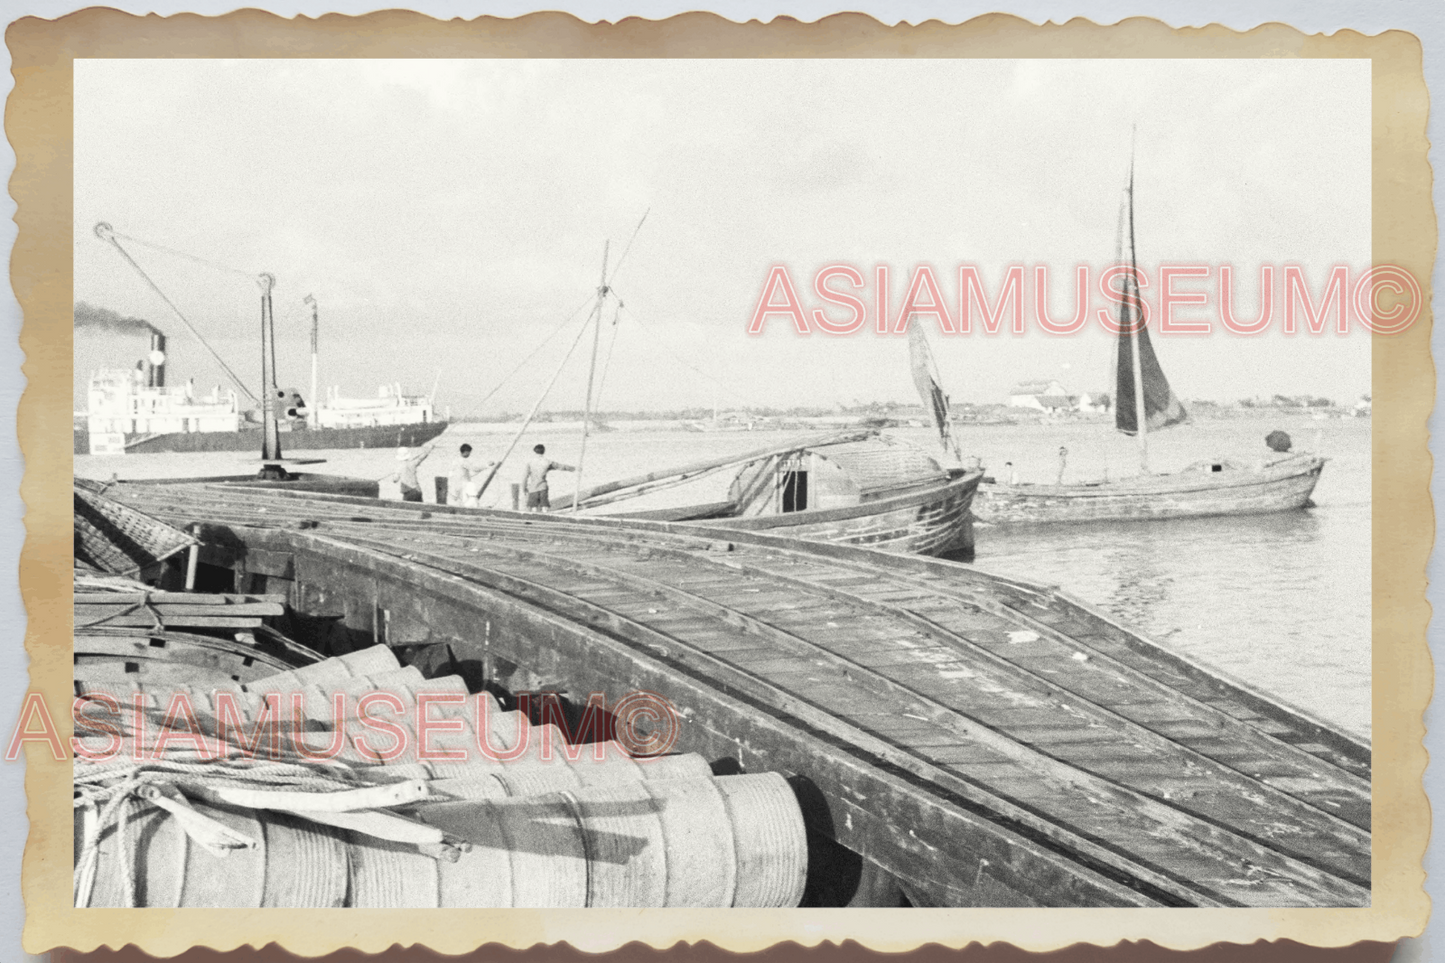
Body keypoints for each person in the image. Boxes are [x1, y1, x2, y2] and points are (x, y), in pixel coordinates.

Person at [522, 443, 575, 512]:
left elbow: (525, 477)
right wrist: (574, 468)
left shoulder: (530, 463)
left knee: (533, 507)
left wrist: (524, 488)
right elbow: (561, 467)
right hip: (543, 487)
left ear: (534, 451)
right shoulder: (547, 462)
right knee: (544, 507)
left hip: (533, 488)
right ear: (543, 451)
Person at [452, 443, 496, 508]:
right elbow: (474, 468)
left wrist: (481, 470)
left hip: (457, 484)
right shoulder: (463, 461)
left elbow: (466, 473)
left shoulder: (455, 461)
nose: (469, 454)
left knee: (461, 502)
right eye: (469, 452)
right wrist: (487, 465)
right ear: (466, 452)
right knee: (471, 499)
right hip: (464, 484)